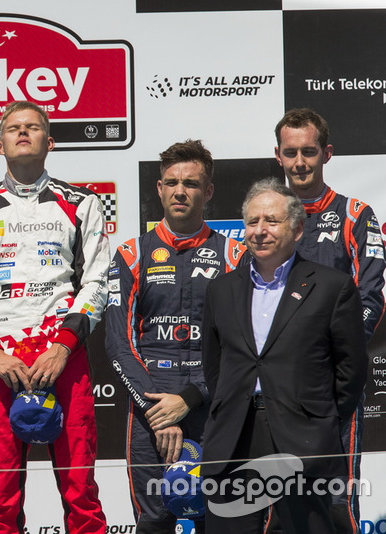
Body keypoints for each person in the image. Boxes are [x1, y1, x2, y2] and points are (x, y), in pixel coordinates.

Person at [0, 100, 109, 533]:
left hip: (64, 355)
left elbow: (98, 282)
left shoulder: (83, 203)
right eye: (13, 128)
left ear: (50, 141)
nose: (23, 133)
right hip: (1, 360)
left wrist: (62, 347)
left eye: (34, 127)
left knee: (82, 492)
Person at [201, 179, 367, 533]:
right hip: (235, 436)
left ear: (297, 229)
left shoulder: (332, 287)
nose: (259, 231)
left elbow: (350, 372)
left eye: (271, 221)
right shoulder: (220, 290)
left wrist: (317, 416)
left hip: (302, 437)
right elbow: (215, 368)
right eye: (252, 221)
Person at [105, 140, 246, 533]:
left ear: (209, 191)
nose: (180, 191)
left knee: (220, 517)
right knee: (154, 520)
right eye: (172, 182)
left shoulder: (235, 255)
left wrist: (190, 398)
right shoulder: (132, 254)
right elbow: (118, 344)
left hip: (212, 403)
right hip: (149, 405)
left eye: (191, 183)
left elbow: (244, 346)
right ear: (159, 188)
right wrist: (158, 412)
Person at [275, 108, 385, 533]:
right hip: (278, 387)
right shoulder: (267, 220)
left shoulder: (356, 215)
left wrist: (336, 360)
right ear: (278, 156)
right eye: (291, 153)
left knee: (338, 502)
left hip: (335, 382)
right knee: (278, 505)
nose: (300, 162)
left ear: (327, 153)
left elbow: (371, 296)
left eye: (308, 151)